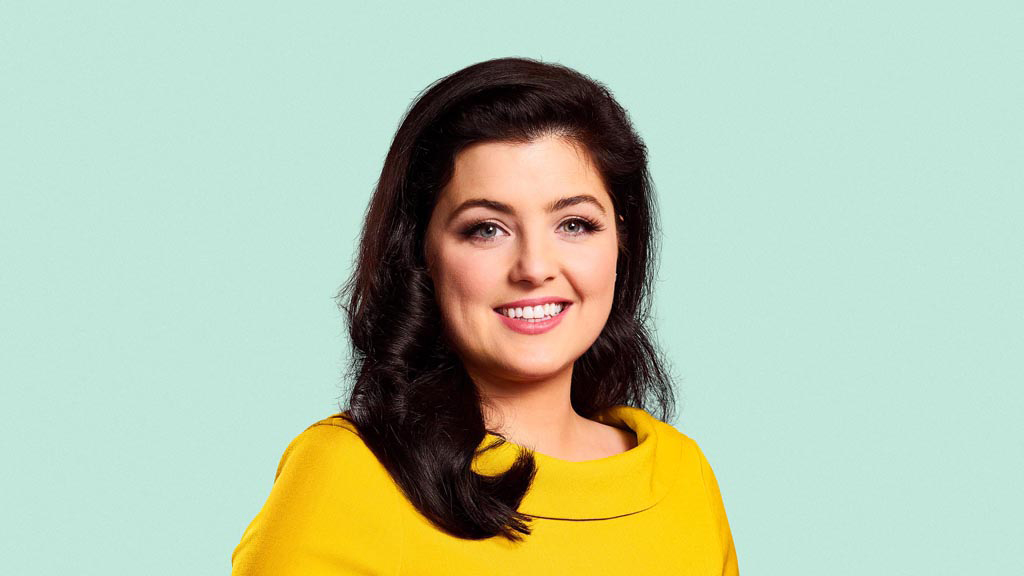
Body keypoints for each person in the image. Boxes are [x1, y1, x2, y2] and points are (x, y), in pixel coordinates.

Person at [231, 56, 739, 575]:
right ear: (420, 253)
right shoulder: (348, 473)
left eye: (574, 224)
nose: (534, 268)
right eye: (486, 229)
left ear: (621, 242)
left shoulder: (683, 477)